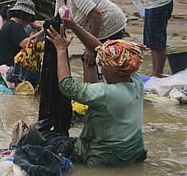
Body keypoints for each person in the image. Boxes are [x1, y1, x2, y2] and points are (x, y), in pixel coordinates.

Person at [42, 18, 147, 167]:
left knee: (46, 137)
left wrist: (60, 50)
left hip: (100, 158)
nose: (101, 68)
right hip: (133, 154)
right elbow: (102, 49)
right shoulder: (136, 82)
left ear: (108, 69)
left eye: (102, 65)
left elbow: (66, 85)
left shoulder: (105, 93)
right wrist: (74, 26)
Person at [39, 0, 127, 83]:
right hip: (96, 29)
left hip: (110, 25)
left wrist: (91, 48)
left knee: (108, 64)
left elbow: (96, 16)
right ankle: (94, 92)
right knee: (89, 61)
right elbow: (58, 20)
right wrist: (39, 35)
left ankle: (106, 91)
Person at [0, 0, 37, 68]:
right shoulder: (15, 27)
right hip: (9, 68)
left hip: (0, 66)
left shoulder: (8, 25)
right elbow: (28, 44)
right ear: (26, 16)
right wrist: (42, 31)